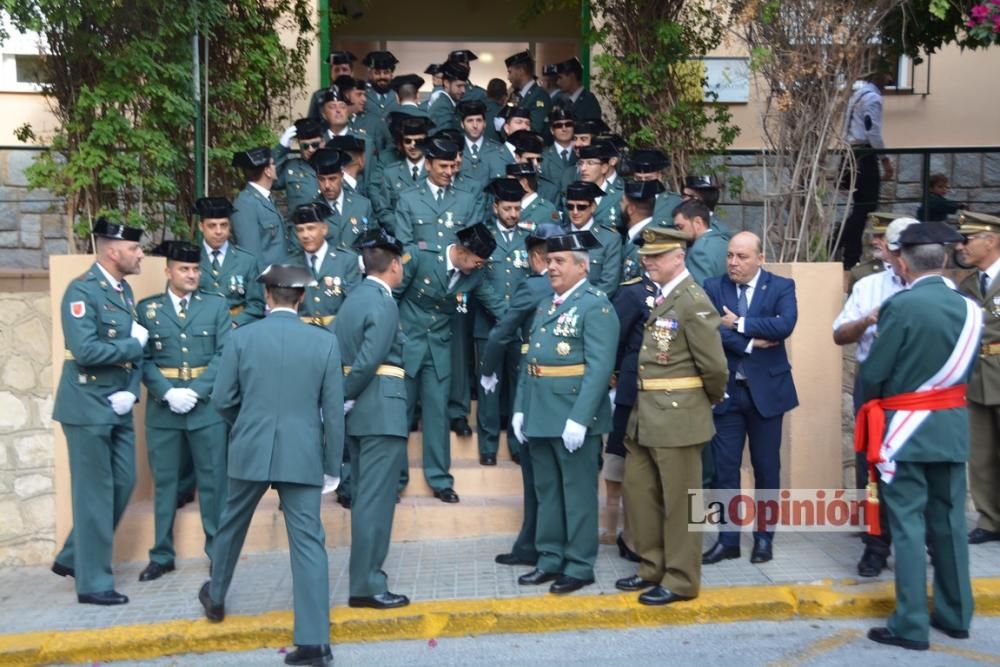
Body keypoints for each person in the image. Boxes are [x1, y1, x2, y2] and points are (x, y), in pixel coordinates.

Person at [200, 264, 344, 667]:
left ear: (267, 297)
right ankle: (315, 642)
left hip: (250, 447)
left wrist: (244, 427)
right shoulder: (324, 342)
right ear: (301, 298)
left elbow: (222, 398)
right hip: (302, 453)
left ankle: (216, 595)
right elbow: (333, 412)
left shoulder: (242, 337)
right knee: (308, 542)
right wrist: (332, 465)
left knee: (230, 526)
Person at [858, 221, 982, 651]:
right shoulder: (971, 308)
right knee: (949, 523)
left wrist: (868, 406)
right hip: (950, 428)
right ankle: (956, 615)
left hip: (905, 432)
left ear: (904, 262)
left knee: (908, 525)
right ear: (945, 259)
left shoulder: (901, 306)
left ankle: (910, 624)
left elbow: (874, 372)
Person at [614, 227, 728, 605]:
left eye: (656, 256)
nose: (648, 262)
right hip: (645, 414)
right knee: (640, 493)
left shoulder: (692, 300)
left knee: (681, 502)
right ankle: (651, 567)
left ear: (678, 258)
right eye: (646, 256)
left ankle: (681, 579)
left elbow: (714, 366)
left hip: (678, 416)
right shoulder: (665, 296)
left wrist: (704, 401)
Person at [511, 230, 618, 595]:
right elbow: (531, 360)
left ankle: (579, 563)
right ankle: (550, 557)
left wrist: (581, 418)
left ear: (581, 267)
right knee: (547, 491)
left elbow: (600, 367)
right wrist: (520, 409)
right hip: (540, 412)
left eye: (559, 262)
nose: (551, 267)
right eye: (549, 260)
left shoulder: (596, 304)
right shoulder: (547, 304)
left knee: (577, 493)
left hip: (573, 415)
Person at [50, 218, 146, 605]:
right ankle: (92, 583)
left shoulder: (123, 291)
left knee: (123, 483)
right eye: (135, 249)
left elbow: (133, 347)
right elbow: (86, 350)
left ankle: (74, 555)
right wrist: (131, 346)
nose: (140, 254)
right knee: (93, 494)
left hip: (116, 403)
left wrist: (130, 392)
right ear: (112, 251)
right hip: (87, 406)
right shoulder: (82, 292)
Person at [701, 231, 799, 565]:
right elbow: (710, 329)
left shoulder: (781, 287)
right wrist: (751, 341)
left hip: (767, 394)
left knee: (766, 468)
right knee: (723, 469)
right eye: (730, 255)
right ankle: (727, 539)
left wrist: (739, 322)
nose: (733, 262)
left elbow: (784, 325)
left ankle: (763, 538)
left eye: (742, 257)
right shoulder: (714, 287)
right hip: (727, 393)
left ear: (760, 258)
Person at [135, 242, 230, 583]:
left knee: (213, 481)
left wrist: (196, 391)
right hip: (164, 411)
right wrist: (167, 392)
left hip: (205, 409)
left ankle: (217, 551)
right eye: (184, 269)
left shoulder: (215, 307)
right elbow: (142, 358)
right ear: (168, 271)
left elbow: (224, 354)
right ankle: (161, 555)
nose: (191, 275)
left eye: (195, 269)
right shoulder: (147, 310)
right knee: (166, 485)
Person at [396, 222, 507, 503]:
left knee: (437, 413)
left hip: (439, 348)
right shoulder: (421, 256)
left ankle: (440, 479)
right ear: (461, 251)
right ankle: (395, 479)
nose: (478, 267)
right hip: (408, 344)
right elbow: (392, 295)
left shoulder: (474, 275)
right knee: (400, 414)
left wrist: (522, 325)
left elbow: (495, 305)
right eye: (476, 261)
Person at [833, 216, 914, 577]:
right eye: (894, 249)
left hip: (918, 388)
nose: (898, 257)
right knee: (872, 463)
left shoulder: (934, 289)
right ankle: (876, 544)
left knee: (915, 462)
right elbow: (840, 334)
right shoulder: (869, 285)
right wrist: (867, 321)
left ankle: (920, 538)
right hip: (874, 385)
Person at [334, 228, 411, 610]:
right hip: (381, 408)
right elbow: (370, 359)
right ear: (394, 265)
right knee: (376, 501)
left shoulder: (352, 299)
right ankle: (367, 584)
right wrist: (346, 393)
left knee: (366, 496)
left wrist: (342, 397)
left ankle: (364, 579)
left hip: (362, 412)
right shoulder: (383, 302)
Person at [482, 224, 559, 566]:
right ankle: (539, 543)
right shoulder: (581, 289)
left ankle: (533, 545)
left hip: (533, 381)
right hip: (566, 388)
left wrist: (486, 369)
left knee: (534, 473)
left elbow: (502, 333)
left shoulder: (533, 286)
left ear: (535, 257)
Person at [474, 179, 531, 466]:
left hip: (520, 327)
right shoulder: (484, 237)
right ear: (495, 207)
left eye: (517, 208)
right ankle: (487, 445)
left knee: (519, 383)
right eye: (507, 208)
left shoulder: (529, 239)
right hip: (490, 327)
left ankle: (517, 442)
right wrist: (507, 314)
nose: (512, 214)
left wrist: (516, 317)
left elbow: (534, 280)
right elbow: (478, 281)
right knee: (488, 386)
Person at [955, 211, 1000, 545]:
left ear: (992, 240)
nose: (962, 245)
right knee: (981, 454)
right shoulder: (968, 284)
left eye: (969, 238)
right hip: (977, 378)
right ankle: (990, 519)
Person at [838, 71, 895, 270]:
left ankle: (850, 254)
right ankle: (839, 241)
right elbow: (872, 130)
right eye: (888, 81)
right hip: (864, 154)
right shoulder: (873, 99)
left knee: (860, 208)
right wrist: (885, 160)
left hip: (850, 153)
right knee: (865, 206)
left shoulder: (857, 95)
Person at [394, 136, 483, 248]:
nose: (449, 172)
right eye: (443, 166)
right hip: (420, 264)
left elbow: (471, 246)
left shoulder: (466, 200)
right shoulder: (408, 199)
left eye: (452, 166)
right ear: (427, 165)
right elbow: (404, 248)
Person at [284, 202, 362, 328]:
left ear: (324, 229)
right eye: (300, 230)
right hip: (301, 336)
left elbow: (353, 307)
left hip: (336, 335)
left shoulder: (346, 261)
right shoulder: (290, 264)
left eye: (311, 228)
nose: (305, 235)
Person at [195, 197, 265, 328]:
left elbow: (257, 305)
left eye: (224, 225)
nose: (218, 231)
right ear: (201, 226)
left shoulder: (247, 260)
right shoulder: (189, 259)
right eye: (212, 226)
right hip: (198, 330)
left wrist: (235, 322)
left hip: (236, 330)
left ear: (230, 226)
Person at [230, 147, 288, 272]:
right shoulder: (245, 203)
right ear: (267, 171)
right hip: (266, 285)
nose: (275, 166)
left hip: (278, 279)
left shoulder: (264, 197)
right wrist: (262, 290)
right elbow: (251, 254)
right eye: (273, 163)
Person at [561, 180, 623, 296]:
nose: (575, 212)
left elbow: (609, 283)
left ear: (593, 207)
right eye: (570, 206)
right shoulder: (557, 234)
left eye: (581, 207)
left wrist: (584, 304)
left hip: (593, 306)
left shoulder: (609, 239)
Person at [310, 147, 373, 251]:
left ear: (342, 176)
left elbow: (372, 242)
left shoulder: (363, 205)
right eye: (322, 179)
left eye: (332, 179)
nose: (327, 185)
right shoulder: (312, 210)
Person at [672, 198, 730, 285]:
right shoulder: (725, 242)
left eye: (680, 227)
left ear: (697, 222)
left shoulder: (698, 251)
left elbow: (701, 294)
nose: (678, 232)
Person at [274, 118, 324, 215]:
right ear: (299, 145)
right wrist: (282, 148)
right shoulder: (291, 167)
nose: (311, 150)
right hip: (299, 227)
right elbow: (272, 181)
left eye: (315, 145)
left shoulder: (334, 164)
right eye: (305, 146)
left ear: (322, 142)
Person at [620, 178, 665, 281]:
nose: (620, 207)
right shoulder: (640, 234)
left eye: (622, 202)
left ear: (631, 209)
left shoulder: (649, 240)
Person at [458, 99, 509, 188]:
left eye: (479, 120)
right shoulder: (454, 149)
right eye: (470, 121)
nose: (475, 125)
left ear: (485, 123)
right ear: (462, 124)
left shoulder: (498, 150)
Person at [628, 148, 683, 228]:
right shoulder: (627, 200)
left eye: (648, 178)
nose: (643, 182)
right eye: (639, 178)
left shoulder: (674, 202)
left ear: (659, 176)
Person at [504, 50, 552, 136]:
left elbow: (535, 129)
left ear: (521, 71)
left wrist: (503, 128)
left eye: (510, 72)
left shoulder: (539, 95)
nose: (508, 77)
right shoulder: (518, 95)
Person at [306, 50, 357, 119]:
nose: (340, 73)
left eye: (344, 69)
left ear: (352, 73)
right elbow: (312, 123)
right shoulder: (319, 96)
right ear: (331, 74)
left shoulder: (361, 96)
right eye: (336, 70)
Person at [507, 163, 560, 229]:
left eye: (509, 182)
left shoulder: (547, 210)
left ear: (523, 183)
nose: (506, 186)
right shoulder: (509, 208)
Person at [554, 57, 602, 122]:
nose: (558, 82)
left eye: (560, 77)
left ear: (572, 76)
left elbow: (593, 129)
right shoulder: (565, 102)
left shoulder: (588, 101)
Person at [428, 60, 469, 133]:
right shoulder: (441, 108)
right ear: (446, 83)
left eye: (464, 86)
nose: (463, 90)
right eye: (459, 86)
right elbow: (445, 140)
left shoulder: (448, 103)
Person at [362, 50, 400, 121]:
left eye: (386, 72)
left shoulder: (399, 94)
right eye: (377, 73)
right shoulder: (362, 94)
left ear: (391, 74)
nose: (382, 76)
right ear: (370, 74)